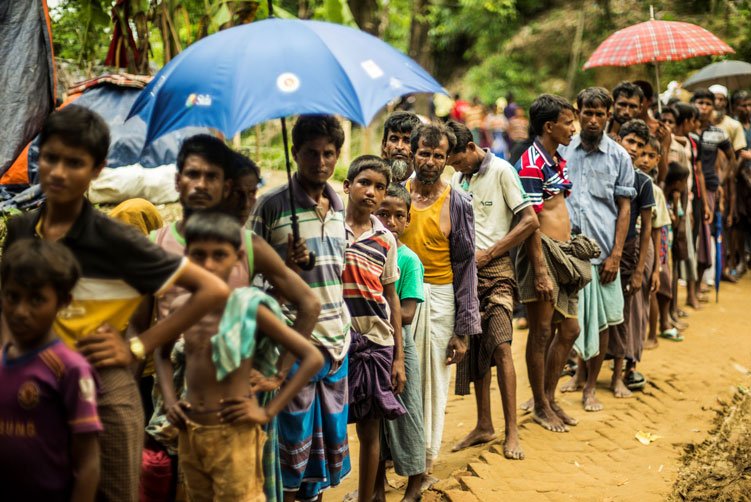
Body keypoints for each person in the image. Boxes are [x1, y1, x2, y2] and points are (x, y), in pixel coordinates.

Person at [1, 105, 230, 502]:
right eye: (51, 158)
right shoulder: (22, 228)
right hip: (33, 382)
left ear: (97, 169)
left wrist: (136, 346)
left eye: (74, 163)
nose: (57, 172)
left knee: (110, 489)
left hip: (104, 384)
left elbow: (212, 290)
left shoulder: (115, 238)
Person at [138, 134, 319, 502]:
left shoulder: (246, 245)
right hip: (175, 412)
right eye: (192, 174)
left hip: (234, 413)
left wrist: (276, 377)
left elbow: (307, 305)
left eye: (212, 176)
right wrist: (165, 396)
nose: (201, 185)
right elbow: (144, 332)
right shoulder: (157, 244)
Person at [163, 212, 324, 502]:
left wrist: (267, 410)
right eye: (199, 255)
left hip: (234, 434)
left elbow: (312, 357)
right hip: (191, 434)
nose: (209, 264)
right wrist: (170, 401)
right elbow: (160, 352)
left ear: (237, 258)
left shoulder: (248, 308)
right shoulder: (181, 306)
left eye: (219, 256)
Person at [250, 114, 352, 501]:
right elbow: (250, 280)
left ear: (338, 154)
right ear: (295, 154)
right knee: (288, 460)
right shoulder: (271, 207)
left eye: (329, 153)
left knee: (320, 466)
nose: (321, 162)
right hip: (289, 345)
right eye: (311, 153)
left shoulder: (340, 207)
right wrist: (287, 269)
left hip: (336, 343)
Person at [445, 120, 537, 457]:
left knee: (500, 345)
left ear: (470, 148)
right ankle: (484, 425)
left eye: (456, 160)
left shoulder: (502, 171)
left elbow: (529, 221)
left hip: (497, 271)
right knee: (475, 350)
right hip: (467, 275)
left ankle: (512, 432)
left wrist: (492, 252)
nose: (455, 167)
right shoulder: (458, 179)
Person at [514, 94, 600, 431]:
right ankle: (540, 404)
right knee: (541, 332)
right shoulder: (530, 163)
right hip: (542, 254)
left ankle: (548, 398)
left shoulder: (554, 158)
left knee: (569, 329)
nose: (574, 128)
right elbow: (530, 221)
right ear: (549, 126)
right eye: (568, 122)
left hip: (562, 254)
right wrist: (539, 270)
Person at [399, 123, 481, 471]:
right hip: (399, 298)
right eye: (424, 153)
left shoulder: (458, 201)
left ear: (447, 159)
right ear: (412, 154)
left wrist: (462, 330)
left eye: (438, 155)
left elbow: (465, 266)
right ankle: (397, 455)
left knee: (433, 381)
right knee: (399, 377)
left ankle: (426, 459)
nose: (430, 161)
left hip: (440, 298)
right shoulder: (397, 196)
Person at [0, 239, 101, 502]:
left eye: (36, 300)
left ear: (63, 302)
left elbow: (88, 463)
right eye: (12, 297)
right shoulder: (2, 361)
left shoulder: (70, 369)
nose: (21, 311)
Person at [559, 87, 636, 412]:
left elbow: (624, 208)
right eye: (586, 113)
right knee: (569, 319)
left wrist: (617, 254)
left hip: (603, 253)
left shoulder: (619, 156)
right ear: (578, 114)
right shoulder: (565, 151)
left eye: (599, 114)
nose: (592, 120)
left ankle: (591, 386)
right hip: (568, 254)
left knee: (602, 321)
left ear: (608, 116)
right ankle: (576, 375)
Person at [340, 156, 405, 502]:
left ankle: (367, 497)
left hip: (376, 342)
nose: (372, 192)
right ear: (347, 186)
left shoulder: (386, 239)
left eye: (380, 187)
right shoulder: (330, 229)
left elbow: (391, 297)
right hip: (334, 343)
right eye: (364, 183)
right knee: (328, 424)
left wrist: (398, 357)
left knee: (370, 428)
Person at [373, 184, 427, 502]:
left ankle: (414, 487)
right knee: (375, 419)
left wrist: (372, 304)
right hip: (371, 343)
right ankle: (376, 489)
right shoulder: (365, 251)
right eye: (383, 214)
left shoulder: (408, 260)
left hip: (399, 344)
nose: (390, 222)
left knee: (409, 415)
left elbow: (406, 313)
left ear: (407, 221)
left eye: (398, 216)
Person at [609, 119, 655, 396]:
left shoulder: (643, 181)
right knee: (598, 313)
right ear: (619, 140)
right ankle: (583, 371)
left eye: (640, 144)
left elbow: (647, 227)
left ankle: (621, 372)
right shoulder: (605, 172)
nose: (635, 149)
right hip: (603, 250)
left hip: (628, 251)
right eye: (631, 142)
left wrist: (640, 270)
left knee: (626, 314)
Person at [692, 89, 738, 290]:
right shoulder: (685, 128)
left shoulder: (717, 133)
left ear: (713, 107)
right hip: (689, 187)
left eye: (707, 103)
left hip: (709, 188)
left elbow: (732, 158)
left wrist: (721, 180)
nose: (703, 107)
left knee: (705, 234)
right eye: (699, 102)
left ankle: (699, 283)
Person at [638, 138, 677, 349]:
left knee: (651, 291)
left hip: (653, 249)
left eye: (651, 156)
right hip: (635, 247)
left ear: (658, 160)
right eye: (642, 154)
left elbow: (659, 230)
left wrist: (659, 262)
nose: (645, 160)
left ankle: (652, 335)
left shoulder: (656, 192)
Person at [381, 111, 423, 183]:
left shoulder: (425, 188)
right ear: (384, 145)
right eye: (394, 139)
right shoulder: (376, 184)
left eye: (407, 141)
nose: (399, 147)